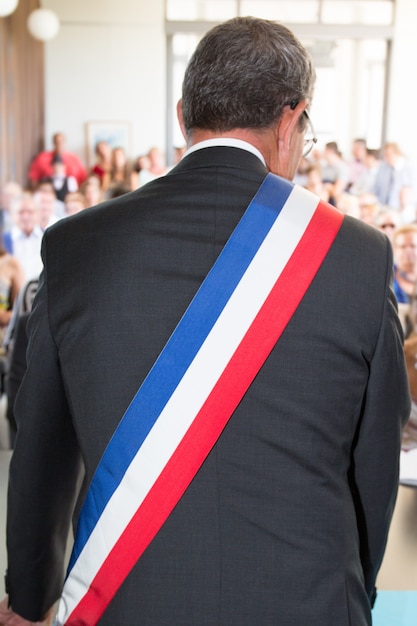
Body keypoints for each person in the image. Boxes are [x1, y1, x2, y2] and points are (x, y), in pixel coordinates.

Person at [1, 16, 410, 626]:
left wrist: (31, 598)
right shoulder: (356, 254)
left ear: (181, 117)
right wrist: (350, 592)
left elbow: (39, 452)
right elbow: (374, 468)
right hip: (307, 606)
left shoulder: (76, 246)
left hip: (128, 606)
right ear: (291, 123)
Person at [373, 142, 415, 223]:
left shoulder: (409, 169)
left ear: (397, 153)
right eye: (385, 155)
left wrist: (403, 207)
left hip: (400, 209)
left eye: (389, 155)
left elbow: (411, 194)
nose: (387, 158)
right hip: (382, 207)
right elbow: (376, 188)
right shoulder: (382, 167)